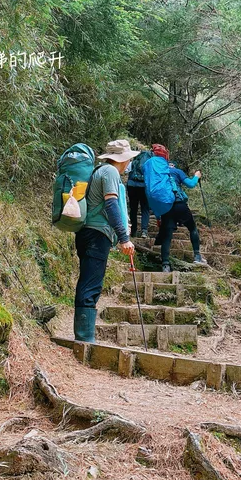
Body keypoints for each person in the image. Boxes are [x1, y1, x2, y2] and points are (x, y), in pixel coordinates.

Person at [73, 139, 138, 342]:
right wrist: (124, 237)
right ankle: (84, 338)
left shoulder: (100, 171)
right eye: (128, 159)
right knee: (91, 283)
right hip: (96, 234)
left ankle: (84, 335)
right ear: (123, 159)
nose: (129, 163)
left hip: (89, 233)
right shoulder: (110, 172)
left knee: (89, 280)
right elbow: (111, 205)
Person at [151, 144, 207, 272]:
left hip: (166, 207)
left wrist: (158, 217)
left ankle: (165, 265)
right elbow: (191, 184)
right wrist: (197, 176)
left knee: (167, 236)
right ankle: (197, 256)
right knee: (192, 228)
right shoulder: (177, 172)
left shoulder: (159, 173)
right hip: (179, 204)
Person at [125, 147, 153, 239]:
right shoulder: (149, 162)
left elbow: (126, 170)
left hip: (132, 185)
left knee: (133, 208)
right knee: (145, 208)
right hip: (144, 186)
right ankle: (144, 231)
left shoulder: (134, 161)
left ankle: (133, 231)